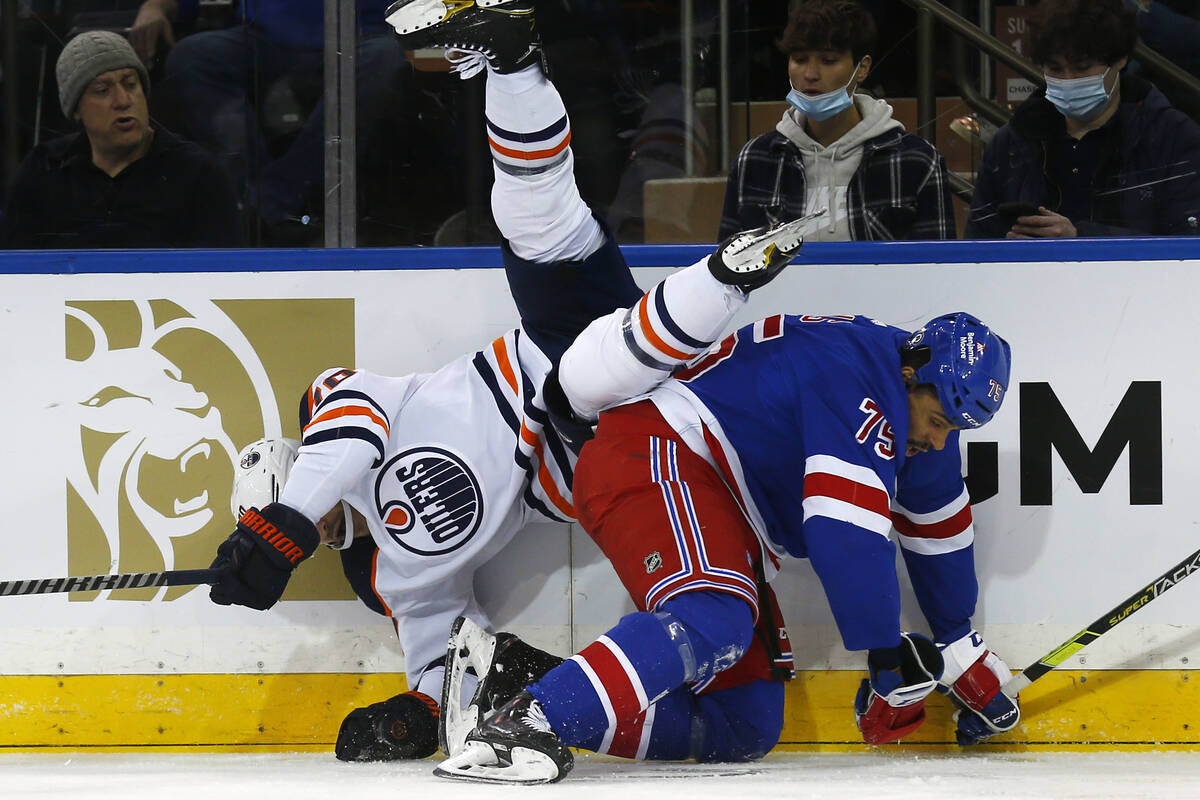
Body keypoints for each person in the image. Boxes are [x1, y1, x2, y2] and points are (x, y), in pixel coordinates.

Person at [209, 0, 807, 764]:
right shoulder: (385, 572)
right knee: (599, 377)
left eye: (298, 505)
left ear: (296, 470)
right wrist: (414, 714)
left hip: (534, 351)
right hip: (583, 456)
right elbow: (448, 653)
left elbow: (347, 432)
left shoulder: (334, 410)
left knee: (536, 218)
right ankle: (718, 284)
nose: (319, 529)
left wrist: (283, 523)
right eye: (304, 529)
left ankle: (514, 59)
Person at [436, 302, 1020, 783]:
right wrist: (884, 655)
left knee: (743, 724)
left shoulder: (915, 411)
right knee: (713, 618)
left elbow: (939, 528)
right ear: (912, 375)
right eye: (940, 422)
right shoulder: (856, 377)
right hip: (657, 452)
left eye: (955, 431)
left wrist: (962, 650)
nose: (941, 442)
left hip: (715, 499)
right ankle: (532, 723)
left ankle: (511, 684)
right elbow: (845, 532)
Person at [130, 0, 407, 234]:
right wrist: (156, 6)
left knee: (385, 59)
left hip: (362, 39)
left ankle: (268, 204)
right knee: (195, 56)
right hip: (266, 40)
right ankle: (250, 200)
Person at [719, 0, 955, 242]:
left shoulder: (917, 161)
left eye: (828, 61)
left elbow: (937, 269)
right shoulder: (755, 160)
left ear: (862, 68)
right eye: (799, 60)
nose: (810, 74)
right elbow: (725, 265)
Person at [965, 0, 1200, 238]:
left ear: (1120, 60)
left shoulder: (1174, 138)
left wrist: (1081, 239)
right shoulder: (1010, 144)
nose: (1069, 80)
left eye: (1083, 68)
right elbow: (976, 245)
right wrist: (1006, 252)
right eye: (1055, 69)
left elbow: (1187, 248)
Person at [0, 30, 241, 249]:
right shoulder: (44, 167)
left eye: (131, 84)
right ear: (75, 109)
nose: (123, 100)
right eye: (102, 90)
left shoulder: (198, 173)